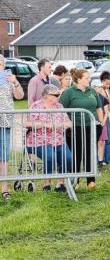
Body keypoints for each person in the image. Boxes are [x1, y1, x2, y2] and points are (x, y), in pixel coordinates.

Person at [59, 68, 103, 188]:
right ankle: (75, 181)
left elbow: (99, 107)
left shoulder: (92, 92)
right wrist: (67, 124)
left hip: (92, 127)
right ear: (78, 79)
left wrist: (101, 122)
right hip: (75, 128)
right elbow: (61, 108)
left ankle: (91, 180)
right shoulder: (69, 92)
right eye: (86, 78)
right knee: (76, 154)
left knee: (90, 152)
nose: (89, 80)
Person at [25, 85, 72, 192]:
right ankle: (46, 184)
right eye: (56, 95)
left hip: (58, 140)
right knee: (50, 156)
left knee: (68, 158)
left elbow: (69, 123)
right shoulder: (36, 106)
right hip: (39, 141)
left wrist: (59, 125)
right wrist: (44, 124)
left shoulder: (59, 107)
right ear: (47, 96)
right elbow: (27, 123)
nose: (58, 96)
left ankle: (60, 184)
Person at [0, 54, 24, 200]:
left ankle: (4, 189)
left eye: (1, 63)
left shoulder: (8, 78)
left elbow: (20, 96)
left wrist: (15, 82)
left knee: (4, 157)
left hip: (6, 122)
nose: (0, 65)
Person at [91, 80, 109, 168]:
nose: (100, 88)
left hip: (101, 123)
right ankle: (92, 161)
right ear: (93, 87)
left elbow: (106, 111)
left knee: (101, 142)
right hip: (91, 122)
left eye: (100, 87)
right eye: (98, 87)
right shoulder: (89, 98)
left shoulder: (103, 98)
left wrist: (103, 122)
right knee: (91, 142)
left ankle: (100, 161)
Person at [100, 71, 110, 165]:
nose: (108, 85)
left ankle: (108, 159)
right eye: (106, 83)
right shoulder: (100, 90)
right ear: (102, 81)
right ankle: (104, 159)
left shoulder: (107, 90)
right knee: (104, 139)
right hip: (102, 116)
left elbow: (109, 104)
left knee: (108, 138)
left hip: (107, 115)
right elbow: (107, 104)